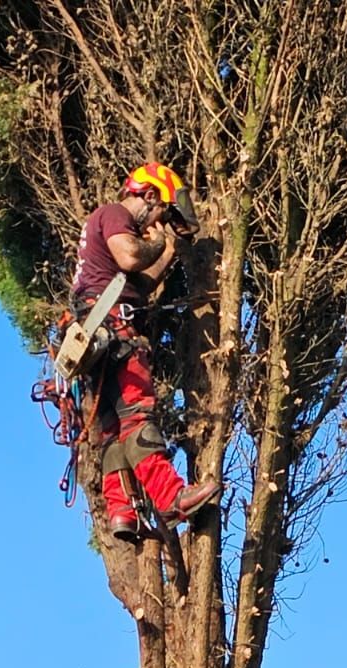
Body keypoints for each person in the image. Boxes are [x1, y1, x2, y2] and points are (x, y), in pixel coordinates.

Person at [71, 163, 219, 542]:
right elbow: (131, 257)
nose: (157, 222)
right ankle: (171, 497)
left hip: (95, 336)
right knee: (138, 414)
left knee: (113, 430)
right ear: (150, 196)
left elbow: (139, 283)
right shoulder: (114, 213)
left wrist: (168, 249)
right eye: (161, 212)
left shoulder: (103, 237)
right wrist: (156, 242)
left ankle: (123, 511)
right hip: (114, 330)